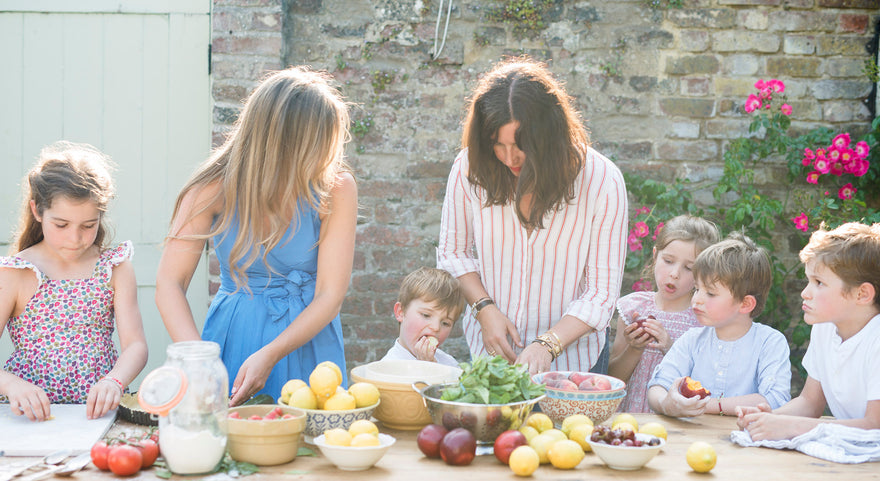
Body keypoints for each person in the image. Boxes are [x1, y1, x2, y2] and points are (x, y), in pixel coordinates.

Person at [155, 67, 357, 406]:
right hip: (235, 333)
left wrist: (273, 353)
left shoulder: (335, 188)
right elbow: (169, 284)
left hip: (308, 339)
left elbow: (330, 295)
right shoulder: (211, 187)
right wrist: (200, 363)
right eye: (318, 143)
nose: (327, 154)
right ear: (284, 144)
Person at [437, 56, 628, 375]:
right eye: (497, 144)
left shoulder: (602, 181)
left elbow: (601, 294)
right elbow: (452, 253)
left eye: (521, 145)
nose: (509, 157)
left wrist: (547, 344)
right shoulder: (470, 167)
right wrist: (484, 309)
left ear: (549, 137)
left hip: (574, 363)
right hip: (494, 357)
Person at [0, 142, 148, 421]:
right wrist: (11, 385)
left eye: (88, 225)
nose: (75, 238)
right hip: (28, 418)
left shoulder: (115, 267)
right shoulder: (16, 272)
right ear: (37, 211)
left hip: (97, 415)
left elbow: (136, 346)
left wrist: (114, 380)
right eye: (61, 225)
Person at [736, 222, 880, 440]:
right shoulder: (825, 328)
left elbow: (874, 426)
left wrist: (790, 426)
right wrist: (767, 418)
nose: (805, 293)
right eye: (808, 280)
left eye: (819, 283)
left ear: (862, 294)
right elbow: (810, 402)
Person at [647, 232, 791, 417]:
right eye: (697, 289)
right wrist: (667, 404)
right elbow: (658, 386)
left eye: (711, 293)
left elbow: (774, 399)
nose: (697, 299)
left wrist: (709, 405)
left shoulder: (770, 342)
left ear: (745, 304)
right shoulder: (692, 340)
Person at [608, 215, 719, 413]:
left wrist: (670, 348)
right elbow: (613, 378)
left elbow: (705, 384)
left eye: (689, 268)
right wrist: (634, 348)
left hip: (675, 420)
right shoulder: (633, 308)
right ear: (655, 255)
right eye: (668, 261)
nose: (675, 273)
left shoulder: (702, 320)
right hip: (629, 417)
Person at [382, 267, 465, 367]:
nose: (436, 327)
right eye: (426, 315)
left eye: (445, 323)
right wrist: (427, 370)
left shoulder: (450, 364)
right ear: (400, 312)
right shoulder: (386, 368)